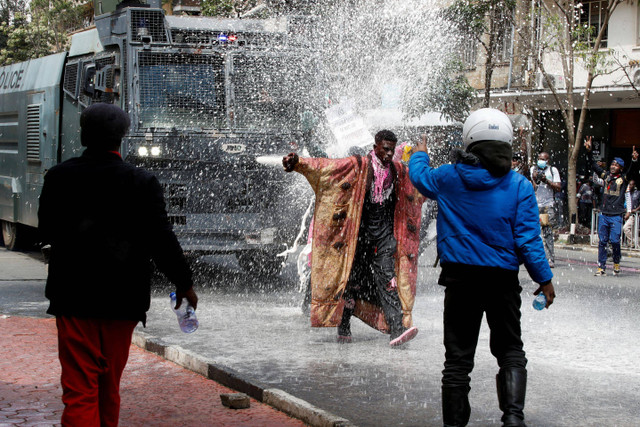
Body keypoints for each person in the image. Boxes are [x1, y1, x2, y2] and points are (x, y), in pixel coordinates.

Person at [38, 103, 198, 426]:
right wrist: (184, 283)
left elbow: (46, 230)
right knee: (108, 388)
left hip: (74, 299)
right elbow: (162, 240)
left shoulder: (58, 177)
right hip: (122, 303)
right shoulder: (142, 182)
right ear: (122, 137)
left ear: (83, 135)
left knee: (80, 391)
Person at [408, 108, 555, 427]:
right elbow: (529, 241)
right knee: (511, 351)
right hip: (502, 281)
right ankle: (513, 419)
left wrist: (419, 154)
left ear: (470, 140)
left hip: (460, 279)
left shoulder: (448, 176)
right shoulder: (519, 186)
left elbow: (419, 177)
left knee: (457, 361)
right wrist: (545, 279)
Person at [282, 130, 425, 347]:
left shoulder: (396, 170)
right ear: (375, 146)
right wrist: (299, 163)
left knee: (388, 280)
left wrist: (422, 157)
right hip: (358, 237)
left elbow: (422, 180)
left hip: (384, 236)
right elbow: (328, 168)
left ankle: (397, 328)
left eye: (391, 149)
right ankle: (344, 325)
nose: (388, 154)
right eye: (384, 149)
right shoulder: (358, 165)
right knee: (352, 283)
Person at [585, 137, 639, 276]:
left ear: (620, 168)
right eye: (612, 164)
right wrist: (589, 152)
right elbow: (595, 167)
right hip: (604, 214)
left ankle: (616, 262)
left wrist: (634, 161)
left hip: (616, 216)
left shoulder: (623, 179)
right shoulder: (606, 176)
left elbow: (632, 172)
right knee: (602, 241)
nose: (613, 166)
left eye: (616, 165)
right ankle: (601, 267)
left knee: (615, 241)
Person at [530, 151, 561, 268]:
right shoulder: (534, 169)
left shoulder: (552, 170)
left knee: (547, 232)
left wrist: (546, 180)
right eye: (539, 158)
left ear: (547, 161)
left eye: (543, 159)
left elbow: (558, 187)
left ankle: (550, 259)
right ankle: (535, 257)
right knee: (534, 232)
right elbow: (533, 187)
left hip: (548, 205)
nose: (540, 161)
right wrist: (534, 178)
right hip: (536, 205)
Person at [623, 179, 639, 247]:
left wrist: (636, 209)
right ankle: (633, 243)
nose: (630, 186)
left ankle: (632, 242)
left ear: (634, 185)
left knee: (626, 228)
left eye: (632, 184)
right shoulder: (627, 194)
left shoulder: (638, 193)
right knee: (630, 230)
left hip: (634, 214)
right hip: (627, 213)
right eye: (629, 184)